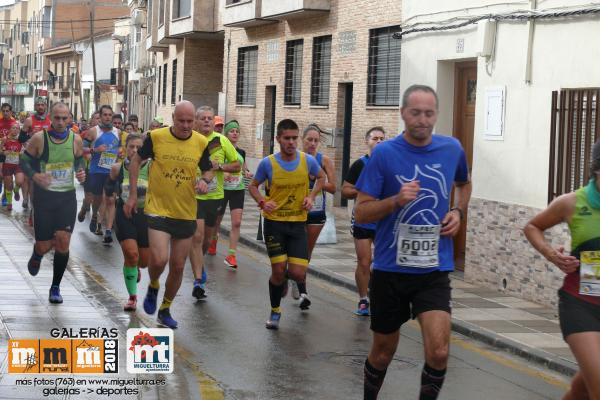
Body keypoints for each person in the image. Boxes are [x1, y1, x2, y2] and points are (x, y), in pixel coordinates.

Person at [355, 85, 471, 400]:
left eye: (429, 113)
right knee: (382, 352)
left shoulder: (452, 149)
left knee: (440, 351)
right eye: (416, 113)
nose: (422, 120)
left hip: (433, 270)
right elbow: (361, 210)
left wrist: (458, 211)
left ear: (437, 115)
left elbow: (463, 182)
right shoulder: (384, 154)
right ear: (403, 113)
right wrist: (395, 200)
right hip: (391, 270)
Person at [124, 100, 213, 329]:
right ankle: (154, 283)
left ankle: (165, 308)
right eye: (181, 120)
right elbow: (135, 161)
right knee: (159, 259)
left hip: (185, 211)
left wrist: (204, 180)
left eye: (189, 121)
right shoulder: (156, 137)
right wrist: (133, 195)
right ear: (173, 118)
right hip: (158, 208)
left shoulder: (201, 142)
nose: (185, 125)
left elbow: (209, 169)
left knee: (177, 266)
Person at [524, 141, 600, 400]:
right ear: (598, 169)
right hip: (581, 304)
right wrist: (551, 255)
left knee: (582, 389)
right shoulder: (571, 203)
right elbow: (532, 227)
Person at [248, 119, 325, 330]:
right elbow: (253, 187)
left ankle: (282, 281)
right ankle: (275, 311)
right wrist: (263, 202)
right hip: (274, 225)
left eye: (294, 138)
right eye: (287, 138)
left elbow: (321, 177)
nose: (291, 142)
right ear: (278, 139)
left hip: (298, 224)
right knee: (279, 269)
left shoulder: (307, 161)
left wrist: (311, 196)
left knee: (299, 273)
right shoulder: (268, 163)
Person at [19, 102, 86, 303]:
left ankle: (55, 287)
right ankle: (37, 254)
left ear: (70, 119)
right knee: (45, 245)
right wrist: (35, 175)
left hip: (66, 198)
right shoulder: (40, 139)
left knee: (63, 242)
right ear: (51, 117)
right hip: (44, 199)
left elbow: (79, 160)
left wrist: (81, 171)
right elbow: (24, 161)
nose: (60, 122)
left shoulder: (76, 139)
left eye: (64, 118)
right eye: (56, 118)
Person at [189, 106, 240, 299]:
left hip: (215, 197)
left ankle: (199, 264)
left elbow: (237, 166)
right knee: (197, 236)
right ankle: (199, 280)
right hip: (193, 198)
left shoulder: (222, 141)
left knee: (207, 240)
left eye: (210, 118)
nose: (207, 121)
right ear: (196, 121)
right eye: (203, 118)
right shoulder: (191, 140)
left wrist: (221, 167)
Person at [342, 127, 386, 316]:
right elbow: (345, 190)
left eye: (382, 138)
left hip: (383, 221)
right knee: (364, 261)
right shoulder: (360, 164)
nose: (378, 141)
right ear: (367, 141)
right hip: (362, 220)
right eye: (375, 138)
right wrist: (363, 191)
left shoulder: (389, 164)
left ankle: (381, 295)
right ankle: (363, 299)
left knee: (384, 262)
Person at [292, 123, 337, 309]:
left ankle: (298, 282)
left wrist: (319, 181)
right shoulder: (294, 158)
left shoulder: (324, 160)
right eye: (309, 140)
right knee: (298, 252)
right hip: (296, 211)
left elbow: (334, 188)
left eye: (316, 140)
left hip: (317, 213)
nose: (312, 143)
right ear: (302, 140)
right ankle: (302, 290)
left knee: (306, 254)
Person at [106, 133, 149, 311]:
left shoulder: (152, 167)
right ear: (125, 149)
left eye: (139, 148)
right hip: (125, 215)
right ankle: (132, 297)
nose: (134, 150)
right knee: (131, 255)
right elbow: (108, 191)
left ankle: (135, 266)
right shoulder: (117, 168)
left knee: (144, 261)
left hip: (147, 217)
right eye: (131, 147)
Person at [212, 120, 253, 269]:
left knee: (236, 223)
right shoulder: (220, 149)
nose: (235, 133)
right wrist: (226, 172)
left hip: (238, 189)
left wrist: (247, 172)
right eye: (231, 131)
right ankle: (213, 240)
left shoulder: (241, 152)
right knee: (217, 221)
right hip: (222, 189)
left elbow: (243, 167)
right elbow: (215, 167)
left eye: (237, 131)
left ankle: (231, 255)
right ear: (226, 134)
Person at [86, 105, 120, 243]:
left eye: (110, 115)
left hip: (111, 172)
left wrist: (122, 150)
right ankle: (95, 216)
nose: (107, 117)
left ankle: (108, 231)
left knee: (110, 200)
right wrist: (95, 149)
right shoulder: (93, 131)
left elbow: (124, 146)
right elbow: (82, 148)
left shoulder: (118, 132)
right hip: (96, 171)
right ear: (100, 116)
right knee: (98, 199)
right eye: (105, 115)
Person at [78, 111, 100, 222]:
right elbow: (80, 149)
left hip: (104, 169)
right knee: (89, 197)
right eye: (97, 118)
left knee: (101, 196)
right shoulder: (87, 133)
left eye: (100, 117)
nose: (99, 120)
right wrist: (89, 154)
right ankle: (84, 207)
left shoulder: (110, 133)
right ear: (92, 120)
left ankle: (95, 217)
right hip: (90, 168)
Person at [1, 123, 24, 211]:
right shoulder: (5, 139)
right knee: (8, 185)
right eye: (13, 128)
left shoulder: (20, 140)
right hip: (7, 165)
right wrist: (3, 152)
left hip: (18, 165)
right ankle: (10, 203)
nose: (15, 130)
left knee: (20, 181)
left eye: (17, 128)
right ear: (10, 129)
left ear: (19, 130)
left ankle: (16, 190)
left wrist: (22, 153)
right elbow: (0, 150)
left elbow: (26, 150)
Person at [0, 103, 17, 206]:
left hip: (10, 152)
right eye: (4, 111)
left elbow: (17, 138)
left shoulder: (14, 123)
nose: (5, 113)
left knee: (7, 176)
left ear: (11, 112)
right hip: (0, 150)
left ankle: (5, 196)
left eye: (7, 111)